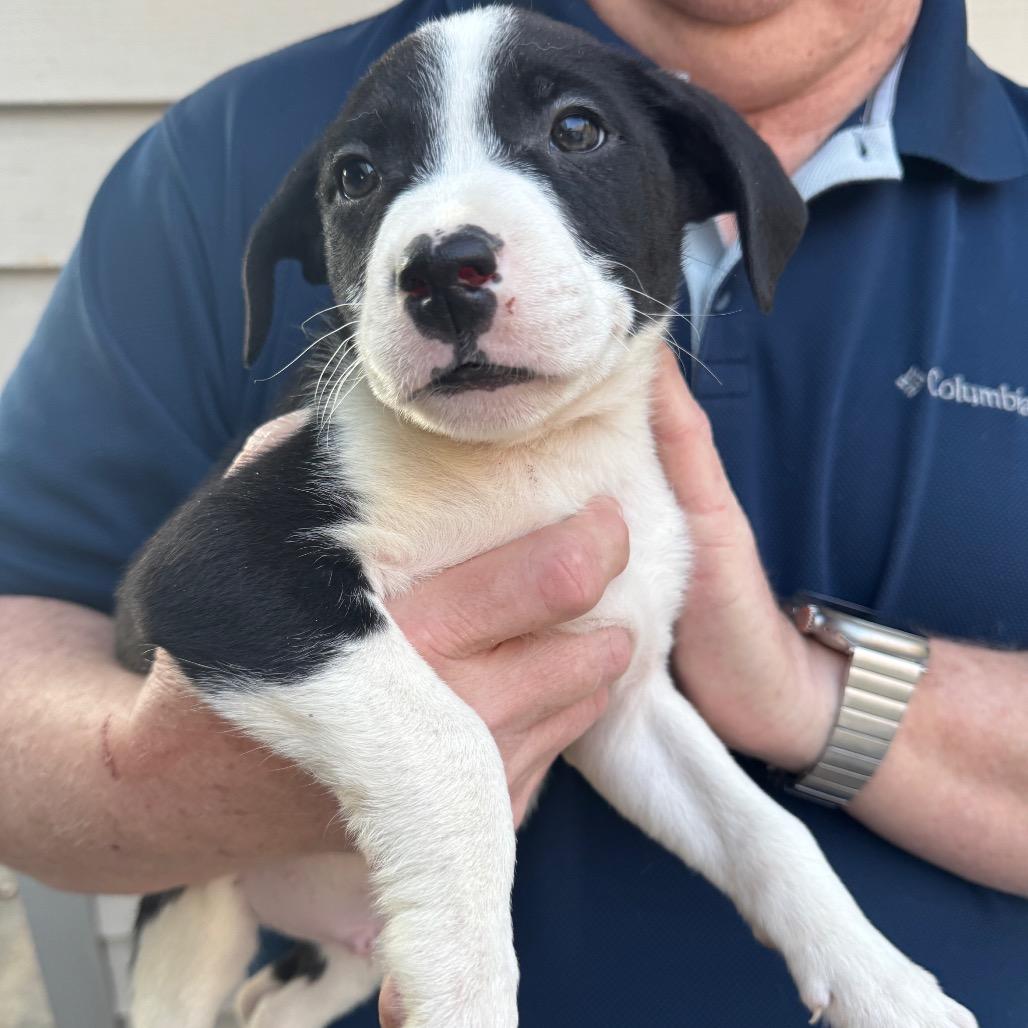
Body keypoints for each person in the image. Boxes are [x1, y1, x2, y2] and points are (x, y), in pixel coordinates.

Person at [1, 0, 1026, 1023]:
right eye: (359, 177)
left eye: (572, 132)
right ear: (313, 251)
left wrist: (802, 708)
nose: (447, 260)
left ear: (704, 184)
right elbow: (188, 582)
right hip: (246, 888)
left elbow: (623, 715)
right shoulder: (210, 161)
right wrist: (190, 784)